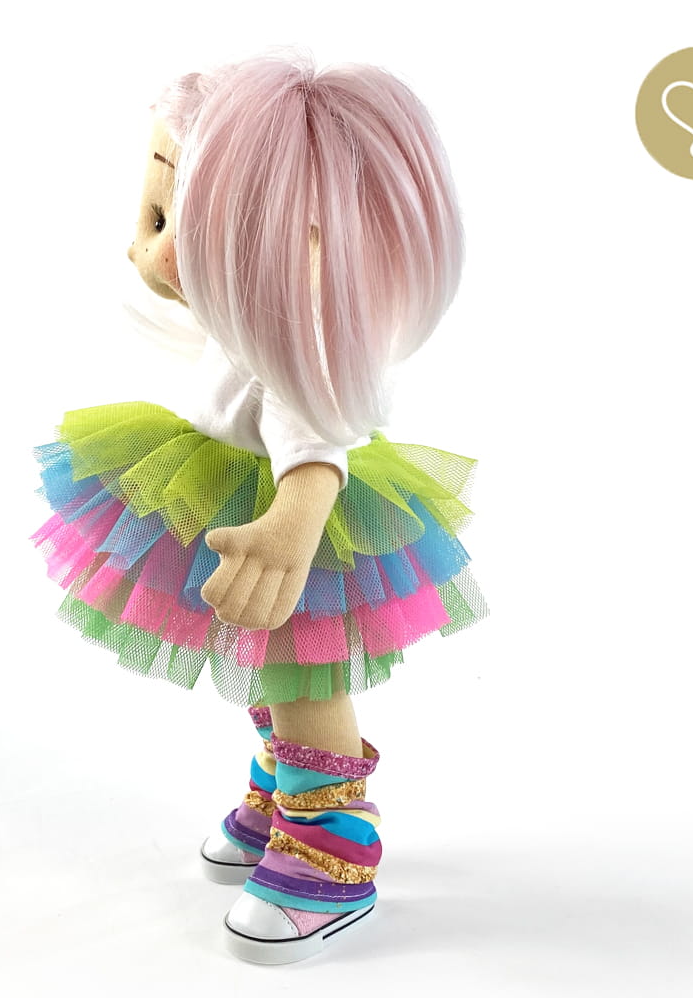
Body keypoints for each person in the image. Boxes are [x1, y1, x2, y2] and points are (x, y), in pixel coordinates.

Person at [31, 53, 487, 964]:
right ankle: (283, 790)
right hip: (233, 497)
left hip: (295, 527)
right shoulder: (251, 326)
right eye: (153, 215)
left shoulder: (298, 353)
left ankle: (333, 848)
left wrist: (290, 527)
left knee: (309, 678)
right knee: (276, 673)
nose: (144, 246)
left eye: (171, 223)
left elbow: (316, 450)